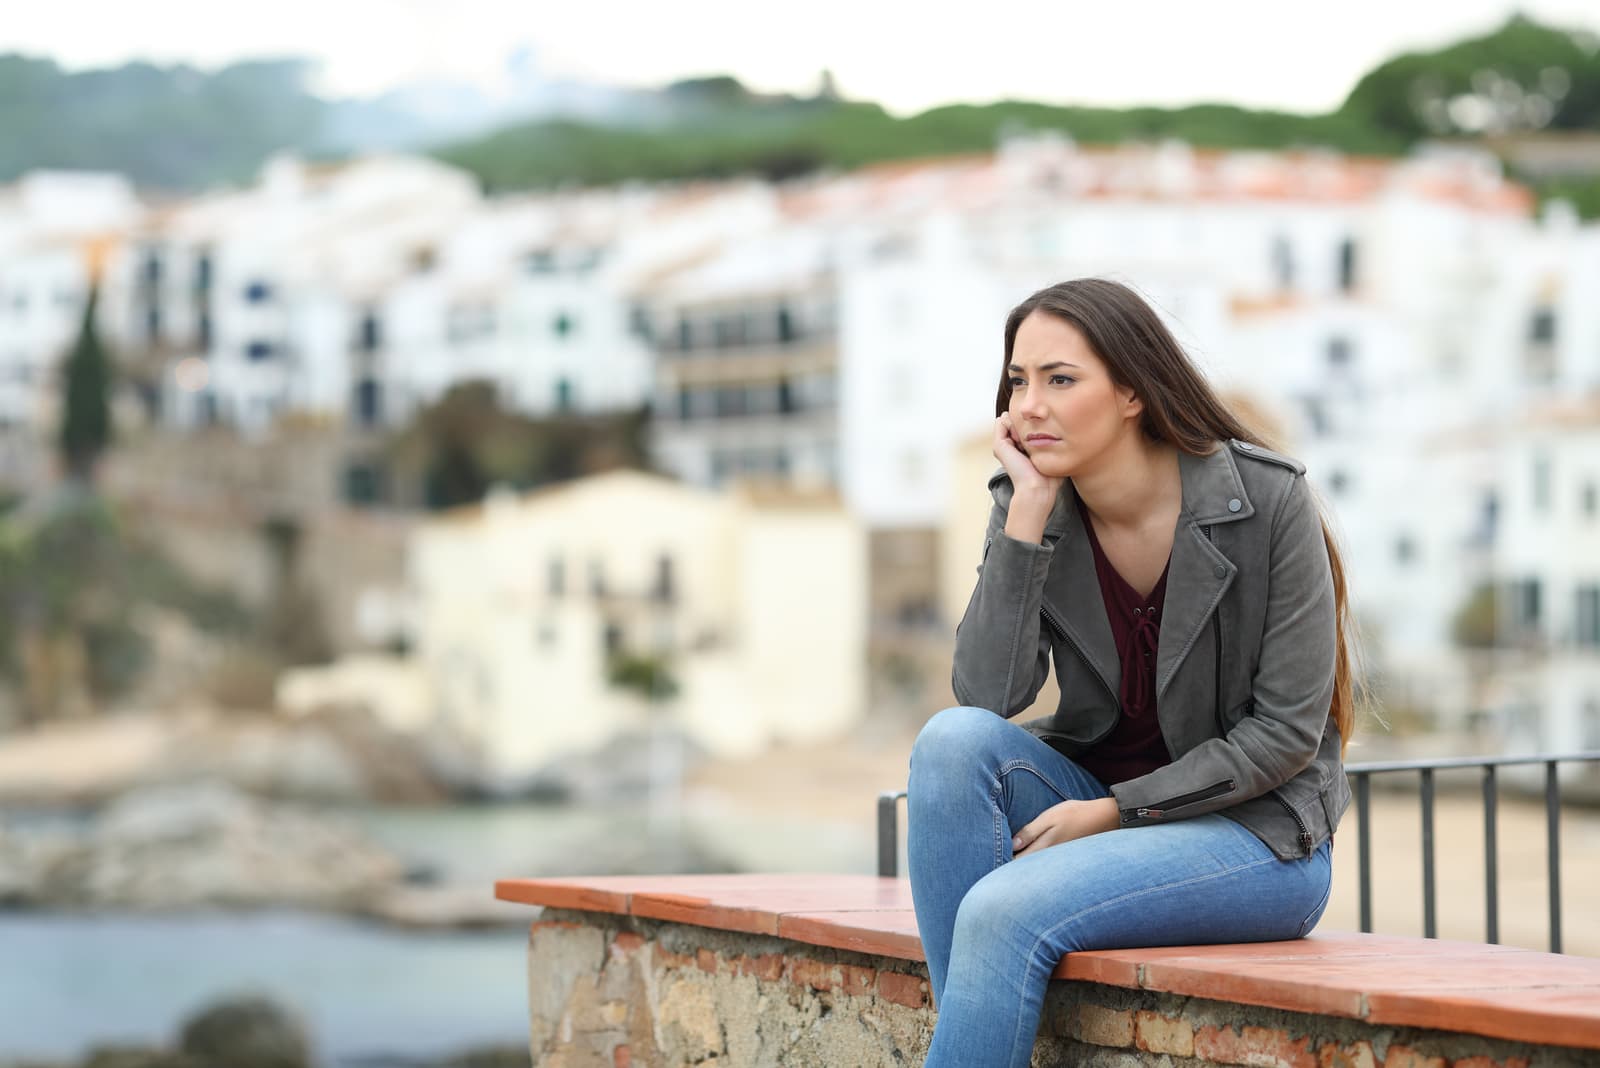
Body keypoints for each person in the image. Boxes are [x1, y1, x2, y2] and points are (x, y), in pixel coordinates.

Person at [907, 278, 1355, 1068]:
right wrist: (1026, 519)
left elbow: (1284, 737)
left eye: (1060, 379)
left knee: (1002, 908)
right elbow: (988, 696)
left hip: (1257, 838)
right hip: (1098, 808)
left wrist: (1118, 810)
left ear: (1132, 394)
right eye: (1018, 381)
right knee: (950, 744)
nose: (1028, 406)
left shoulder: (1268, 500)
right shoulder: (1031, 503)